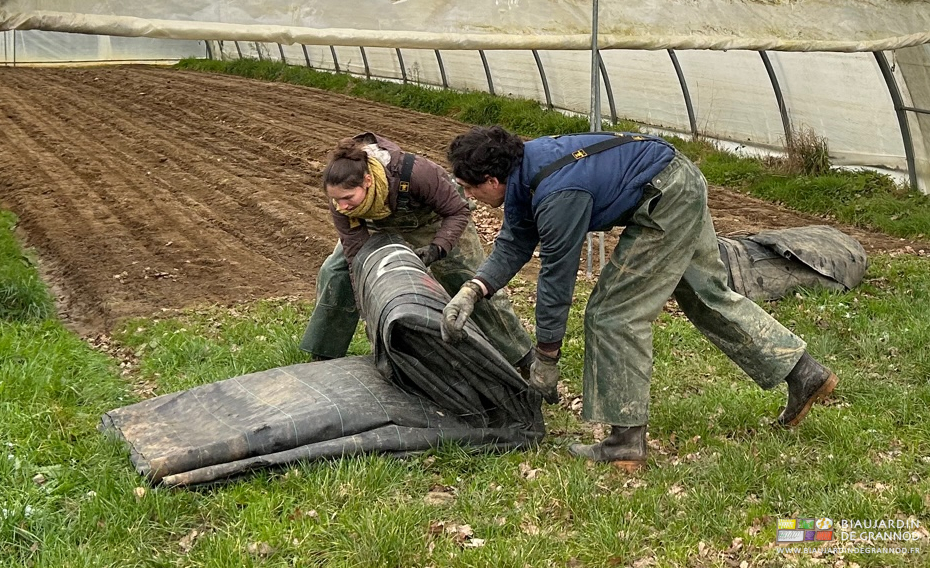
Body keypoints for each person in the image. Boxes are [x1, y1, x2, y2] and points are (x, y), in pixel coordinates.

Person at [441, 125, 839, 471]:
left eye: (468, 186)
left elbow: (556, 278)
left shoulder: (559, 192)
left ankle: (625, 443)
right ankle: (805, 374)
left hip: (667, 195)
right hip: (676, 176)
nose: (466, 192)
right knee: (707, 294)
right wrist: (473, 290)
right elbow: (514, 242)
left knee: (613, 312)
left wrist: (546, 358)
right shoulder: (526, 169)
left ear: (493, 180)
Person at [299, 132, 535, 375]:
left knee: (469, 278)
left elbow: (457, 211)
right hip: (377, 225)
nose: (342, 206)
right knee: (335, 272)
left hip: (434, 220)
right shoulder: (341, 199)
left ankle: (522, 356)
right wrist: (368, 309)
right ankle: (324, 357)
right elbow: (355, 252)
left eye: (348, 198)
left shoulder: (415, 173)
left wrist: (438, 247)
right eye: (337, 201)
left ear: (368, 180)